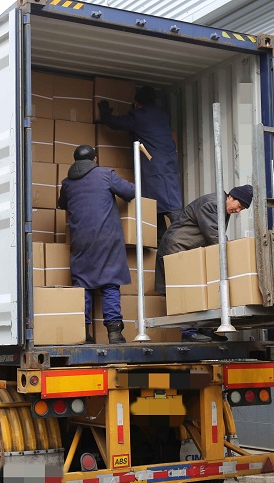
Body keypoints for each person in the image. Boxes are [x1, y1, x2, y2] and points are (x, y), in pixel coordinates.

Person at [154, 185, 253, 342]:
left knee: (202, 288)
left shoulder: (222, 207)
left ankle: (203, 328)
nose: (238, 210)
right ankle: (188, 331)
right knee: (186, 291)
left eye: (242, 209)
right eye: (239, 205)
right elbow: (214, 236)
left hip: (188, 250)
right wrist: (236, 255)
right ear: (231, 197)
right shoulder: (211, 204)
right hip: (177, 249)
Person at [58, 145, 136, 344]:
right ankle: (114, 332)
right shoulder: (105, 174)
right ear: (94, 159)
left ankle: (83, 333)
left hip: (80, 241)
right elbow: (129, 192)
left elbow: (62, 204)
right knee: (110, 282)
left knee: (83, 284)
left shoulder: (67, 183)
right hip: (106, 238)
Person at [98, 86, 182, 243]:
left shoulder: (140, 117)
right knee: (163, 206)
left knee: (164, 208)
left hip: (154, 168)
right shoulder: (162, 115)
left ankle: (182, 242)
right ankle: (169, 243)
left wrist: (105, 115)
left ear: (137, 102)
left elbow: (116, 123)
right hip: (169, 166)